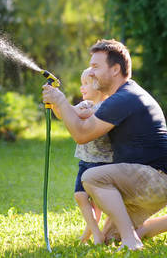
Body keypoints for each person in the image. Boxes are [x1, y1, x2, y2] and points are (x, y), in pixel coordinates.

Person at [42, 39, 167, 251]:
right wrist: (61, 104)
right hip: (146, 180)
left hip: (156, 180)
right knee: (110, 238)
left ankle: (132, 240)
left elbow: (82, 135)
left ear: (115, 69)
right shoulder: (120, 96)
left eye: (95, 67)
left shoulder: (123, 98)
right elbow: (81, 123)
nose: (91, 73)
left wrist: (61, 101)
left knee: (91, 177)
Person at [71, 68, 112, 245]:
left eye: (86, 83)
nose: (81, 88)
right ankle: (94, 232)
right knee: (80, 196)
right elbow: (72, 111)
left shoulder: (105, 107)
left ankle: (94, 235)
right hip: (85, 162)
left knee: (96, 203)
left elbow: (77, 114)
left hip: (101, 162)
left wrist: (61, 104)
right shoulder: (85, 104)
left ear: (99, 85)